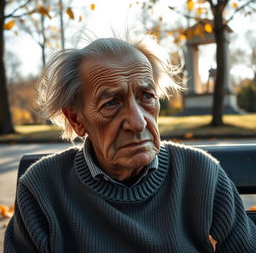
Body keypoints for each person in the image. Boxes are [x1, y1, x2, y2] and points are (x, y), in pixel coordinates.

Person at [4, 35, 256, 253]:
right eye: (111, 103)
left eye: (146, 96)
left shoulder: (201, 174)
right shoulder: (43, 188)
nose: (137, 123)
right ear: (76, 119)